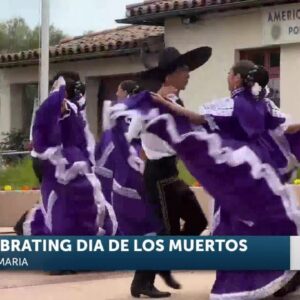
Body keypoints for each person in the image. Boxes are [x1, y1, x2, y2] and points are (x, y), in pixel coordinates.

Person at [109, 60, 300, 299]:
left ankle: (160, 270)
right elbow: (287, 128)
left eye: (230, 73)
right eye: (185, 72)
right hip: (241, 172)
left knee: (205, 225)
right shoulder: (263, 104)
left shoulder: (234, 104)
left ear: (238, 79)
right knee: (260, 222)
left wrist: (167, 109)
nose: (227, 76)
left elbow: (197, 119)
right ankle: (146, 278)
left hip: (225, 171)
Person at [124, 47, 211, 298]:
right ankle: (142, 281)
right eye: (184, 70)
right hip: (157, 174)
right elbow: (130, 133)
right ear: (170, 74)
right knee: (162, 230)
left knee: (197, 221)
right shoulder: (150, 101)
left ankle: (166, 260)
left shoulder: (177, 102)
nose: (189, 75)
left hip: (171, 172)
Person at [19, 71, 117, 238]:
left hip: (72, 165)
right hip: (59, 166)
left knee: (74, 208)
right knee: (57, 208)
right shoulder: (57, 109)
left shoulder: (72, 110)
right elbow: (45, 138)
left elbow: (81, 139)